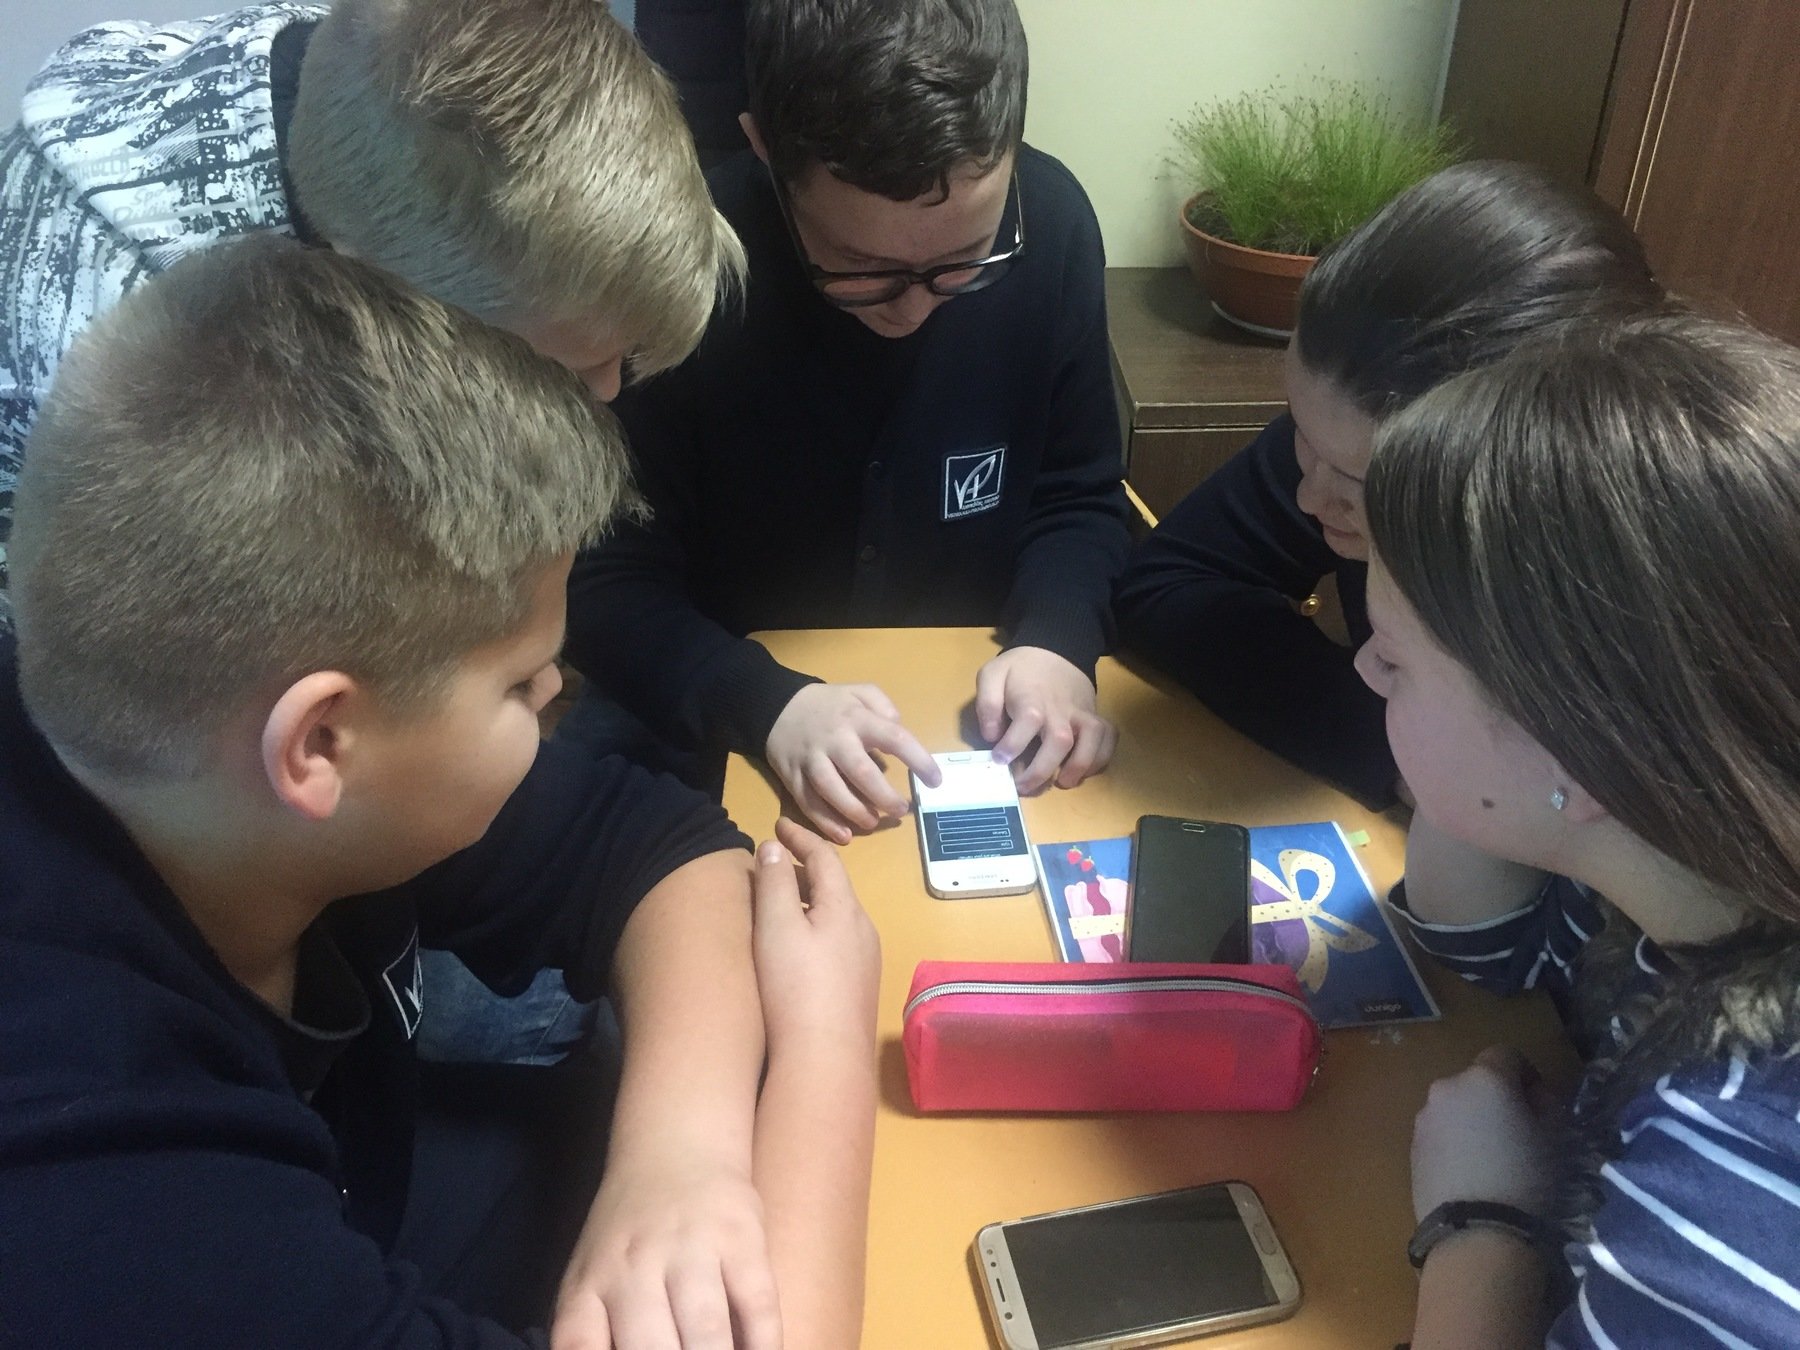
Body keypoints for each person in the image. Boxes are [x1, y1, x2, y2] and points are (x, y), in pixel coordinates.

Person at [0, 237, 879, 1350]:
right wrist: (829, 1043)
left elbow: (657, 845)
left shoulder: (199, 767)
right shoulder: (114, 1206)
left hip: (360, 1175)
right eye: (522, 683)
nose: (556, 697)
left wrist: (681, 1158)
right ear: (321, 743)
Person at [565, 0, 1132, 841]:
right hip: (712, 697)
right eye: (862, 268)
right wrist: (762, 703)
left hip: (972, 700)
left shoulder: (1052, 227)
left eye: (965, 260)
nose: (914, 308)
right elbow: (604, 576)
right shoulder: (681, 266)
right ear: (764, 148)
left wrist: (1057, 640)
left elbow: (1079, 496)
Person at [1353, 313, 1800, 1347]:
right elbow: (1486, 947)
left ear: (1575, 746)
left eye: (1394, 655)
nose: (1366, 670)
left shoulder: (1736, 1172)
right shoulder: (1686, 895)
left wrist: (1482, 1219)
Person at [0, 0, 742, 617]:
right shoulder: (141, 376)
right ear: (385, 300)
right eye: (575, 368)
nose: (608, 389)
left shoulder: (382, 60)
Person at [1113, 161, 1663, 808]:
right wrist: (1405, 753)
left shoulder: (1642, 596)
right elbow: (1168, 582)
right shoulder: (1345, 431)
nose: (1308, 497)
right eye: (1299, 429)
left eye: (1358, 481)